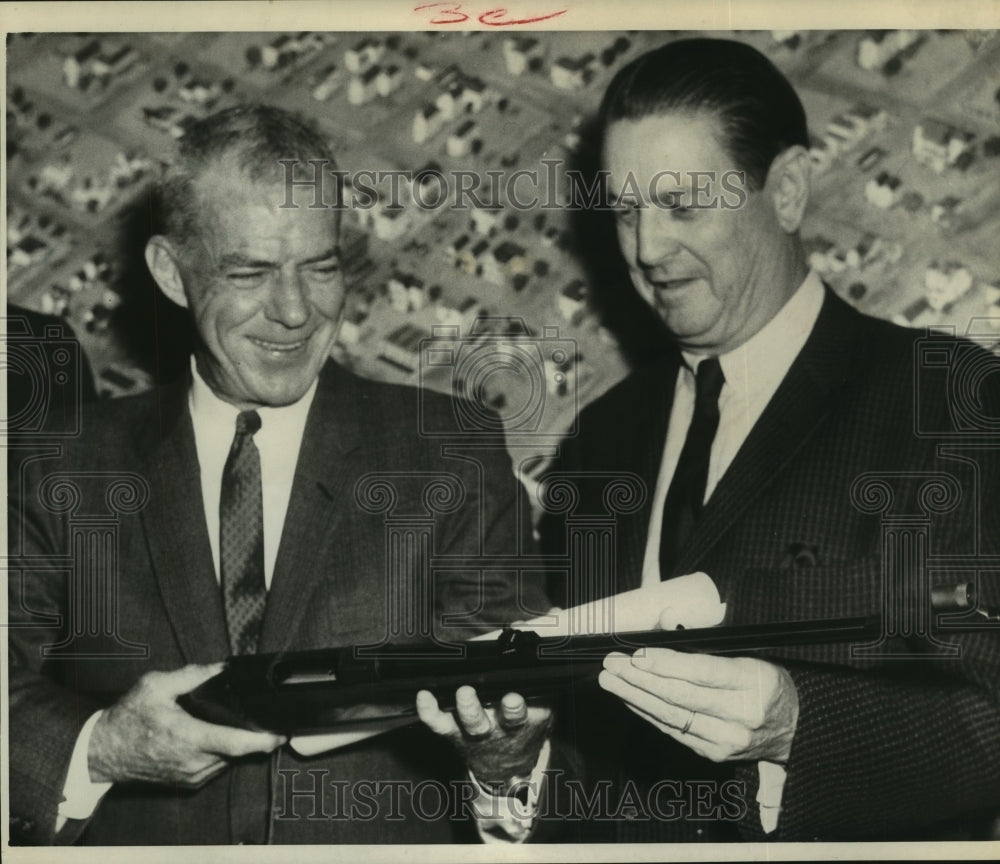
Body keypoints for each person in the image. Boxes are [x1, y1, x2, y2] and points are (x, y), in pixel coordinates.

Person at [7, 104, 549, 845]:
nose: (294, 311)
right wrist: (101, 746)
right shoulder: (59, 463)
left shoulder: (451, 453)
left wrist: (503, 768)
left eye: (320, 267)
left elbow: (518, 742)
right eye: (251, 272)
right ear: (171, 271)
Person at [536, 38, 1000, 842]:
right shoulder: (597, 443)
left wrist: (796, 726)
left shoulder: (949, 399)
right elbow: (585, 758)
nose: (646, 250)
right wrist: (512, 765)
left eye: (681, 205)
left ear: (785, 190)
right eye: (625, 211)